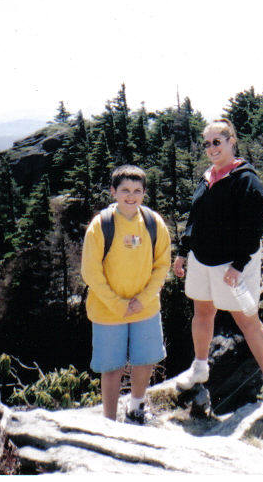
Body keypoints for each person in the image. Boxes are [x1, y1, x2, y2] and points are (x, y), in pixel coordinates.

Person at [171, 119, 263, 400]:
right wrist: (184, 252)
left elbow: (253, 228)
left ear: (232, 141)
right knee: (203, 313)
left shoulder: (246, 179)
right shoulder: (207, 177)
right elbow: (194, 219)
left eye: (216, 142)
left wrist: (238, 265)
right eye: (207, 143)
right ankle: (199, 367)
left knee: (248, 320)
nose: (211, 148)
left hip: (231, 264)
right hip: (201, 259)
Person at [81, 165, 171, 423]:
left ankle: (136, 408)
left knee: (144, 361)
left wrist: (142, 299)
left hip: (146, 307)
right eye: (124, 190)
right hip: (108, 310)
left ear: (144, 193)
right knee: (112, 368)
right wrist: (119, 303)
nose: (130, 196)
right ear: (113, 192)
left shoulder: (154, 223)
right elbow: (90, 272)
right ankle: (109, 422)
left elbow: (162, 264)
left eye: (137, 191)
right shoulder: (101, 226)